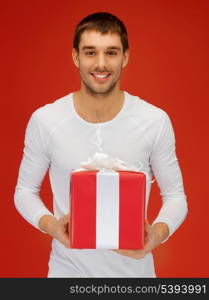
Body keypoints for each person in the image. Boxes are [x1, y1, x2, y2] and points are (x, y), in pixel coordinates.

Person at [14, 12, 188, 277]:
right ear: (76, 57)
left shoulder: (154, 121)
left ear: (125, 57)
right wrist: (52, 226)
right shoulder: (46, 120)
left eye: (112, 52)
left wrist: (157, 235)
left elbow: (176, 197)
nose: (101, 63)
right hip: (67, 273)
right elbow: (24, 191)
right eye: (90, 52)